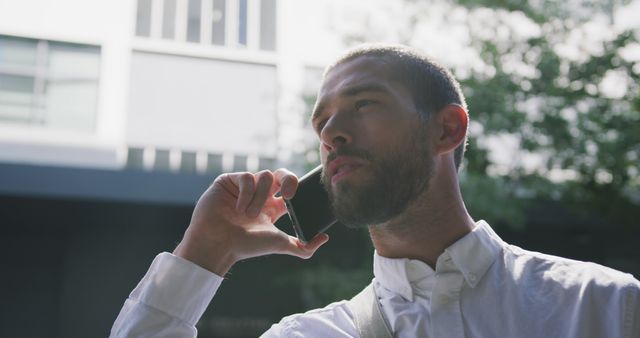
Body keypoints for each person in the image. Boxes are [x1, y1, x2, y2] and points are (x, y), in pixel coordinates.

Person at [110, 44, 640, 338]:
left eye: (364, 104)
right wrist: (202, 255)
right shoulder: (310, 337)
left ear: (447, 130)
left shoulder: (606, 308)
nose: (330, 133)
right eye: (322, 121)